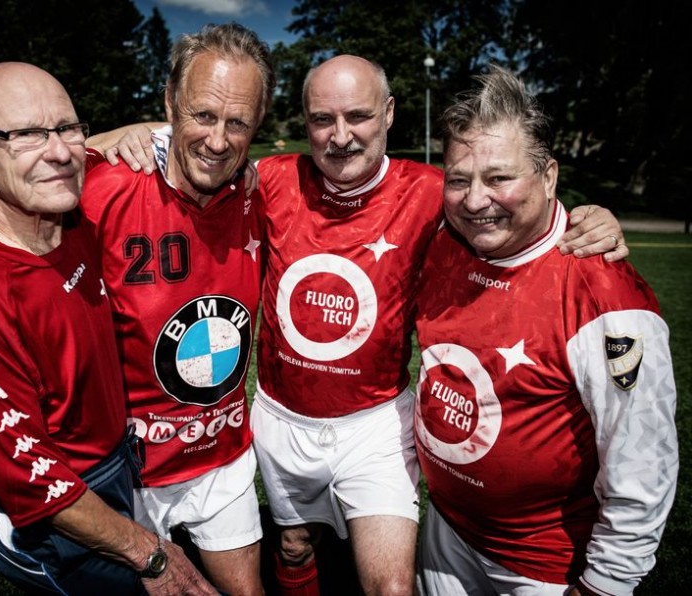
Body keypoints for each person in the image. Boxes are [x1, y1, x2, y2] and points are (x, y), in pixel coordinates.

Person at [102, 54, 628, 596]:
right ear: (304, 122)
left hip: (377, 423)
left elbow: (513, 207)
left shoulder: (435, 191)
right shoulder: (269, 178)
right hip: (281, 416)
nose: (340, 136)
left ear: (390, 113)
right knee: (293, 545)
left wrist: (589, 217)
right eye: (322, 120)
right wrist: (135, 131)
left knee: (391, 586)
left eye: (358, 116)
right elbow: (203, 138)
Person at [0, 23, 273, 596]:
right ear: (169, 103)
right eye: (201, 115)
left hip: (222, 454)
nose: (218, 141)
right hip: (125, 473)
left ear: (258, 123)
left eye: (237, 122)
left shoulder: (265, 190)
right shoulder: (94, 188)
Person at [413, 65, 678, 595]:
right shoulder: (444, 238)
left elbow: (643, 464)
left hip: (544, 566)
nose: (474, 199)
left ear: (550, 176)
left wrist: (605, 583)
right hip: (445, 529)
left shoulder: (605, 296)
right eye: (460, 178)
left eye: (500, 177)